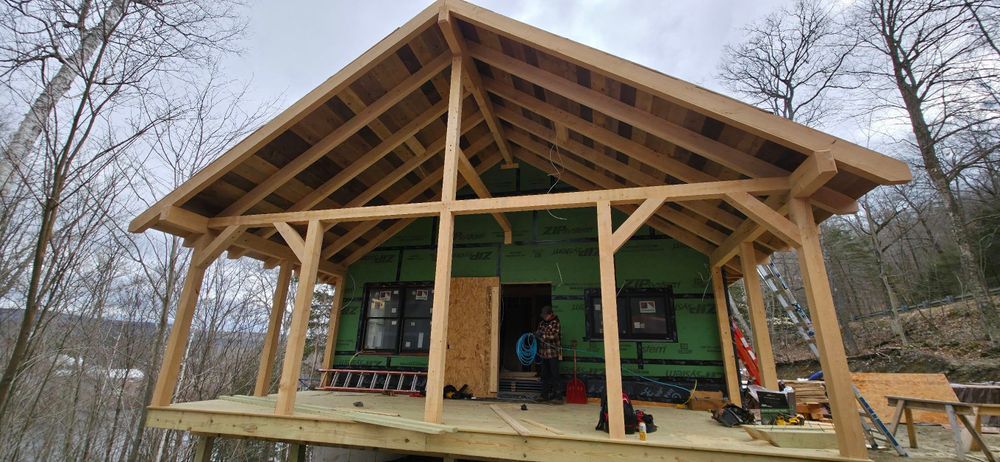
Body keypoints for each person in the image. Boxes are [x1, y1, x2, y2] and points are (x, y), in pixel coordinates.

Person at [534, 305, 562, 402]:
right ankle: (544, 395)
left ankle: (558, 396)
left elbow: (553, 335)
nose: (544, 317)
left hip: (553, 353)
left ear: (550, 314)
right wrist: (537, 334)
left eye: (545, 315)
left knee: (555, 374)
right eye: (543, 315)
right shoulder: (542, 323)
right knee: (544, 375)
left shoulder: (556, 322)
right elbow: (539, 332)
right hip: (544, 354)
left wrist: (542, 335)